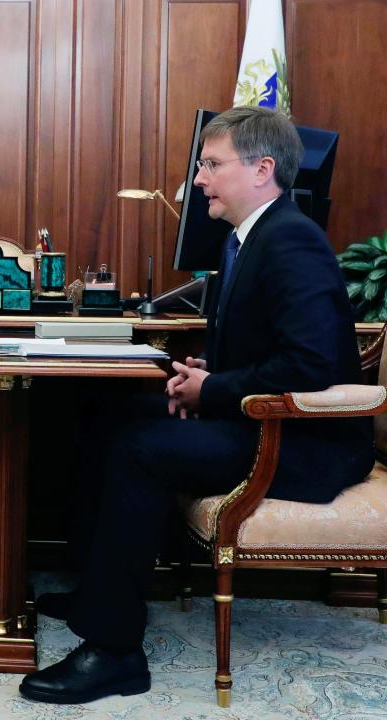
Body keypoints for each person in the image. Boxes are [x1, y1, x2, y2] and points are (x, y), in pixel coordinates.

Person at [20, 106, 373, 705]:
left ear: (262, 170)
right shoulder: (253, 236)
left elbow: (312, 367)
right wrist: (212, 375)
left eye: (211, 165)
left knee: (142, 448)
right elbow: (276, 348)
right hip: (264, 419)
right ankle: (98, 592)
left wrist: (213, 390)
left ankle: (116, 652)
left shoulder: (291, 239)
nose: (199, 181)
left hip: (305, 443)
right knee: (112, 414)